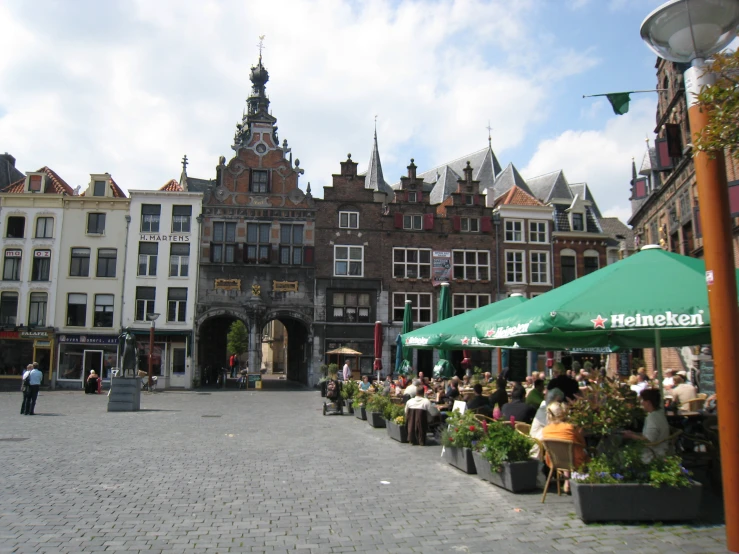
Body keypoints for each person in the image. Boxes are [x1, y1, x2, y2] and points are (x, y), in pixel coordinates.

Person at [541, 401, 588, 493]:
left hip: (555, 460)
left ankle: (567, 481)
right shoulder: (570, 427)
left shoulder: (546, 430)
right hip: (574, 461)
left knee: (566, 453)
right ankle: (579, 483)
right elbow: (583, 443)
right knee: (579, 452)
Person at [623, 388, 670, 462]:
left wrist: (631, 436)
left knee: (621, 453)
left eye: (642, 400)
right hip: (661, 449)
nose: (641, 403)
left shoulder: (652, 418)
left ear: (648, 402)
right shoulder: (660, 414)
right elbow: (650, 435)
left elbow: (648, 441)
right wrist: (634, 433)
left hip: (652, 454)